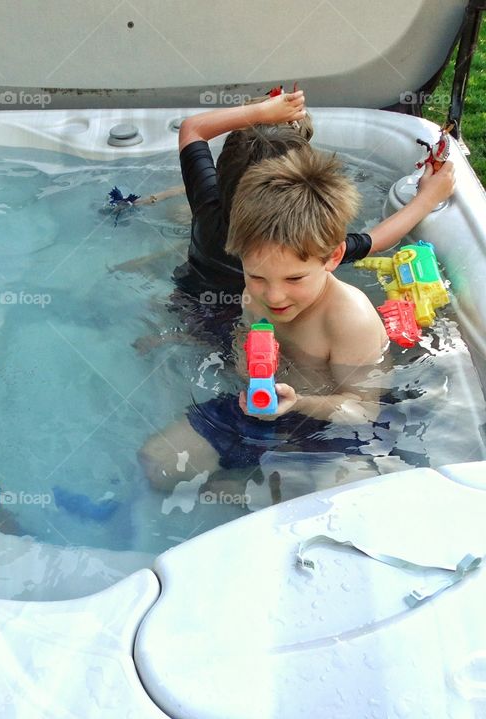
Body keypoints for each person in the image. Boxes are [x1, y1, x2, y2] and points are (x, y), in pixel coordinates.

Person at [139, 146, 393, 493]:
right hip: (264, 406)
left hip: (329, 429)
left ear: (333, 257)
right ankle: (247, 481)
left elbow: (365, 411)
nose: (273, 296)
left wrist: (299, 403)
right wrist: (242, 351)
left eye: (294, 279)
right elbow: (246, 332)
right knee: (158, 465)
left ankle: (246, 488)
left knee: (335, 497)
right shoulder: (253, 295)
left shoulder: (349, 319)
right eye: (257, 276)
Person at [129, 89, 456, 353]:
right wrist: (427, 199)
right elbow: (375, 240)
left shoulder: (206, 203)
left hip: (187, 303)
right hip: (254, 330)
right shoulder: (304, 241)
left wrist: (260, 113)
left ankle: (177, 334)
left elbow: (192, 129)